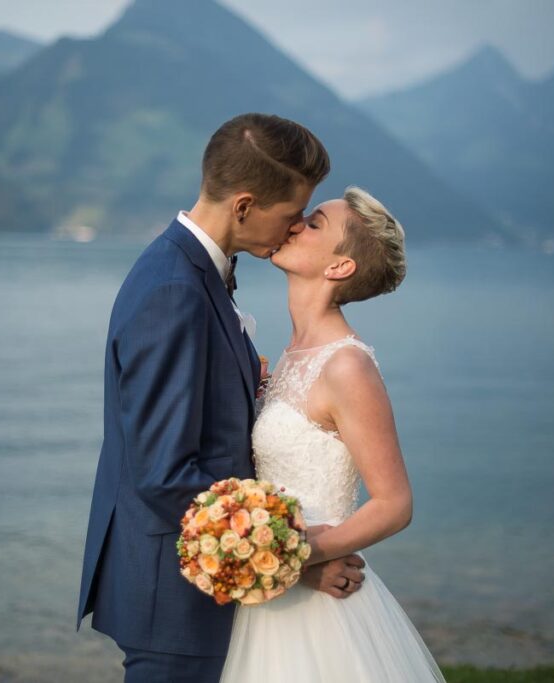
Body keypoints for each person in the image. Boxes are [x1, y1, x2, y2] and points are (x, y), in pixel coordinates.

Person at [77, 113, 368, 683]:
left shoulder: (196, 274)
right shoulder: (174, 290)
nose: (290, 231)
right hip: (174, 594)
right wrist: (292, 557)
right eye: (289, 216)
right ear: (243, 206)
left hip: (191, 581)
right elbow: (164, 475)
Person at [219, 187, 447, 681]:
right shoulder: (290, 354)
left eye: (315, 223)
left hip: (315, 607)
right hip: (267, 587)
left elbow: (394, 503)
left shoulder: (347, 366)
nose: (296, 222)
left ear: (339, 267)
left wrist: (298, 556)